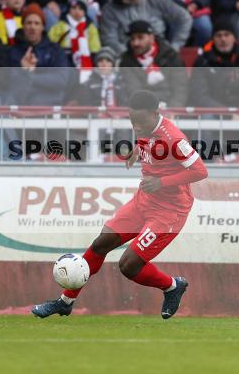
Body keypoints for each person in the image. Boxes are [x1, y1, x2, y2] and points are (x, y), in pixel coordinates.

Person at [31, 89, 207, 319]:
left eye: (140, 122)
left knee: (128, 266)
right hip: (143, 201)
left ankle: (173, 286)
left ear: (155, 114)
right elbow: (147, 143)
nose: (136, 127)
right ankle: (65, 301)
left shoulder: (173, 138)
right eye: (132, 121)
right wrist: (136, 152)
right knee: (100, 244)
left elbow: (201, 171)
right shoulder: (144, 126)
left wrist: (162, 181)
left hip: (169, 212)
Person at [189, 16, 239, 109]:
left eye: (227, 34)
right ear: (213, 39)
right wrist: (226, 113)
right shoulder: (203, 61)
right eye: (218, 35)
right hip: (217, 114)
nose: (223, 39)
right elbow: (199, 95)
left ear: (234, 38)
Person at [4, 3, 72, 106]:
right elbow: (8, 83)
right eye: (29, 23)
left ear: (42, 27)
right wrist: (23, 71)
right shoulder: (12, 51)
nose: (32, 27)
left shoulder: (55, 50)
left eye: (37, 23)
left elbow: (61, 81)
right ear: (23, 26)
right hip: (20, 108)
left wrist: (30, 76)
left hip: (51, 107)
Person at [118, 20, 188, 108]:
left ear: (151, 38)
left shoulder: (171, 56)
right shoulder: (126, 61)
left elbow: (180, 89)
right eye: (132, 39)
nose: (136, 43)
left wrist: (173, 110)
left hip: (170, 110)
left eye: (140, 37)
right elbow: (133, 90)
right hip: (142, 111)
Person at [48, 0, 102, 82]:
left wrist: (92, 54)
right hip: (65, 55)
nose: (77, 11)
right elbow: (51, 39)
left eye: (80, 9)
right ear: (69, 9)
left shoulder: (90, 27)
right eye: (74, 8)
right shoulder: (61, 25)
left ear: (85, 11)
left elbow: (95, 45)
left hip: (84, 56)